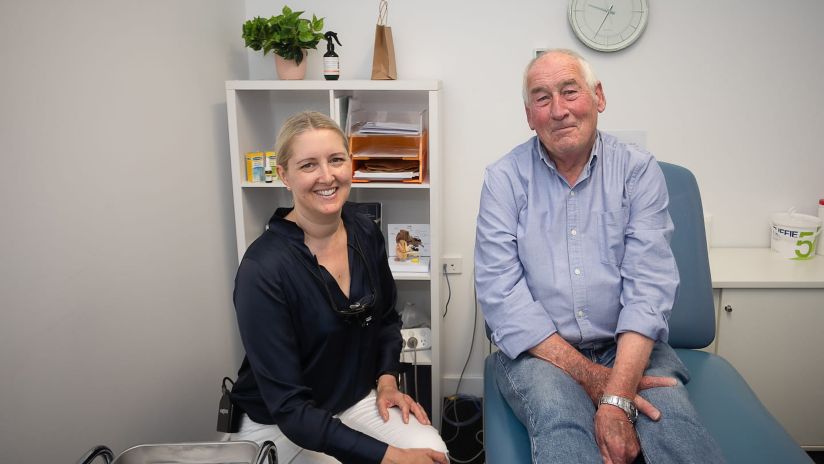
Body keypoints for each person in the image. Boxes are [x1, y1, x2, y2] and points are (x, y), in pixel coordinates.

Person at [474, 49, 725, 463]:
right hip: (543, 352)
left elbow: (648, 286)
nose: (558, 110)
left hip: (628, 343)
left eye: (570, 91)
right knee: (562, 424)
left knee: (672, 423)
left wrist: (616, 396)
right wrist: (599, 383)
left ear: (598, 98)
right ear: (528, 114)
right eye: (541, 98)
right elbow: (502, 297)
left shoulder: (638, 171)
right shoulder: (503, 179)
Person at [228, 111, 449, 464]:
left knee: (434, 454)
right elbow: (289, 408)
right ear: (284, 175)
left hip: (352, 400)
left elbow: (387, 319)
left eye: (335, 160)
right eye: (308, 165)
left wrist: (388, 379)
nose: (326, 176)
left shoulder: (364, 232)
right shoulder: (263, 270)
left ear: (350, 164)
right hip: (282, 424)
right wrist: (388, 456)